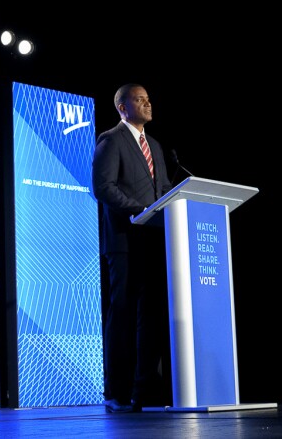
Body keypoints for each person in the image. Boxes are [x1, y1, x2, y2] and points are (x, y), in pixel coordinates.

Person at [92, 82, 175, 413]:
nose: (147, 104)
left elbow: (165, 189)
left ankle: (145, 390)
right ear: (122, 107)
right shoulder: (111, 140)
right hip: (125, 241)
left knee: (152, 317)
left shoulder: (154, 145)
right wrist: (137, 212)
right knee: (123, 314)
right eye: (139, 100)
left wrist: (168, 210)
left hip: (153, 240)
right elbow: (103, 187)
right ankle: (118, 391)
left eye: (148, 99)